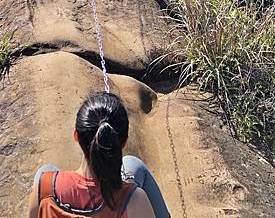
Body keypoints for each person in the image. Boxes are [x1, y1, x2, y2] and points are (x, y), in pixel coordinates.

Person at [28, 92, 170, 218]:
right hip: (124, 202)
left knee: (45, 171)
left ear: (76, 136)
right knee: (133, 165)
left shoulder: (44, 188)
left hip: (52, 193)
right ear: (124, 142)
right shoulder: (135, 201)